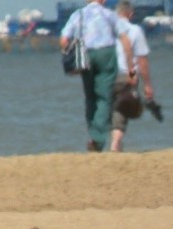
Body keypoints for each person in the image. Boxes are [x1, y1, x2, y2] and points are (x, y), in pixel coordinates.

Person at [59, 0, 133, 153]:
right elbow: (125, 39)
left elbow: (64, 40)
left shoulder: (77, 15)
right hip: (106, 54)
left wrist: (71, 59)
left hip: (86, 55)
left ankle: (94, 135)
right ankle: (97, 139)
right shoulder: (109, 14)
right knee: (104, 97)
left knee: (90, 96)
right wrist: (130, 66)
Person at [109, 1, 154, 152]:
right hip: (128, 74)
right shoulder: (135, 31)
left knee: (107, 107)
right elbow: (141, 60)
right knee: (122, 110)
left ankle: (106, 142)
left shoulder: (108, 29)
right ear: (130, 14)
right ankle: (115, 143)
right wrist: (147, 84)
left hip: (106, 74)